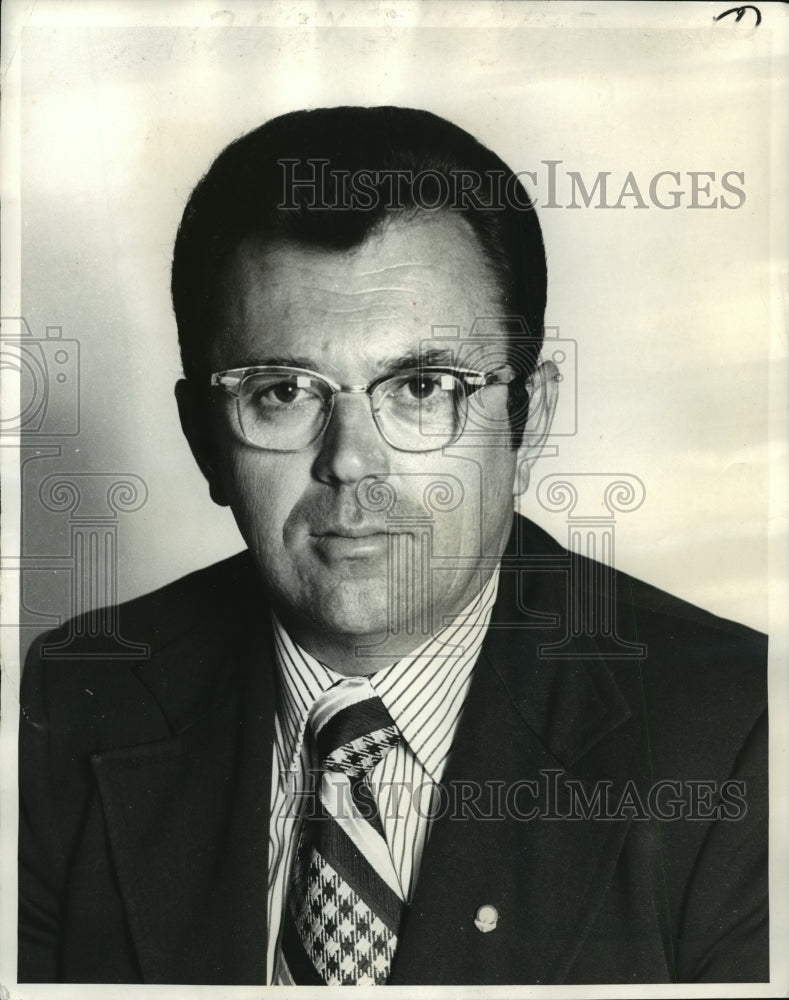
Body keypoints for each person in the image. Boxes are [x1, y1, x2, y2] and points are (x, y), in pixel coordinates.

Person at [18, 106, 768, 986]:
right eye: (281, 391)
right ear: (201, 439)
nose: (349, 463)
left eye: (421, 386)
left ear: (533, 418)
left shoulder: (739, 730)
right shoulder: (69, 701)